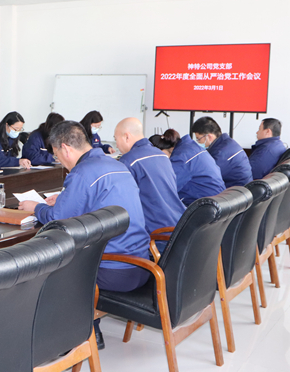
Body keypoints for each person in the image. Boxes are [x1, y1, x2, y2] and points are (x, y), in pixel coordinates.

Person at [18, 121, 149, 350]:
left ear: (65, 148)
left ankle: (75, 336)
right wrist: (65, 198)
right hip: (142, 264)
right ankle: (91, 330)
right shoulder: (116, 164)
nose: (60, 161)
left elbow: (58, 219)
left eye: (57, 155)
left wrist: (35, 207)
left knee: (51, 269)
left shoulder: (82, 172)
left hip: (114, 269)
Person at [115, 118, 186, 252]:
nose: (116, 145)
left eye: (116, 139)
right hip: (179, 226)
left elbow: (124, 204)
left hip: (157, 237)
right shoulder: (162, 155)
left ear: (126, 137)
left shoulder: (129, 161)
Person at [149, 129, 226, 206]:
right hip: (216, 200)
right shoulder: (190, 147)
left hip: (207, 206)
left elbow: (165, 188)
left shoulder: (182, 158)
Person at [191, 116, 252, 188]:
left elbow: (205, 177)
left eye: (199, 139)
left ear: (209, 137)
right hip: (241, 189)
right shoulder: (228, 143)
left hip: (235, 191)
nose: (198, 142)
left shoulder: (220, 154)